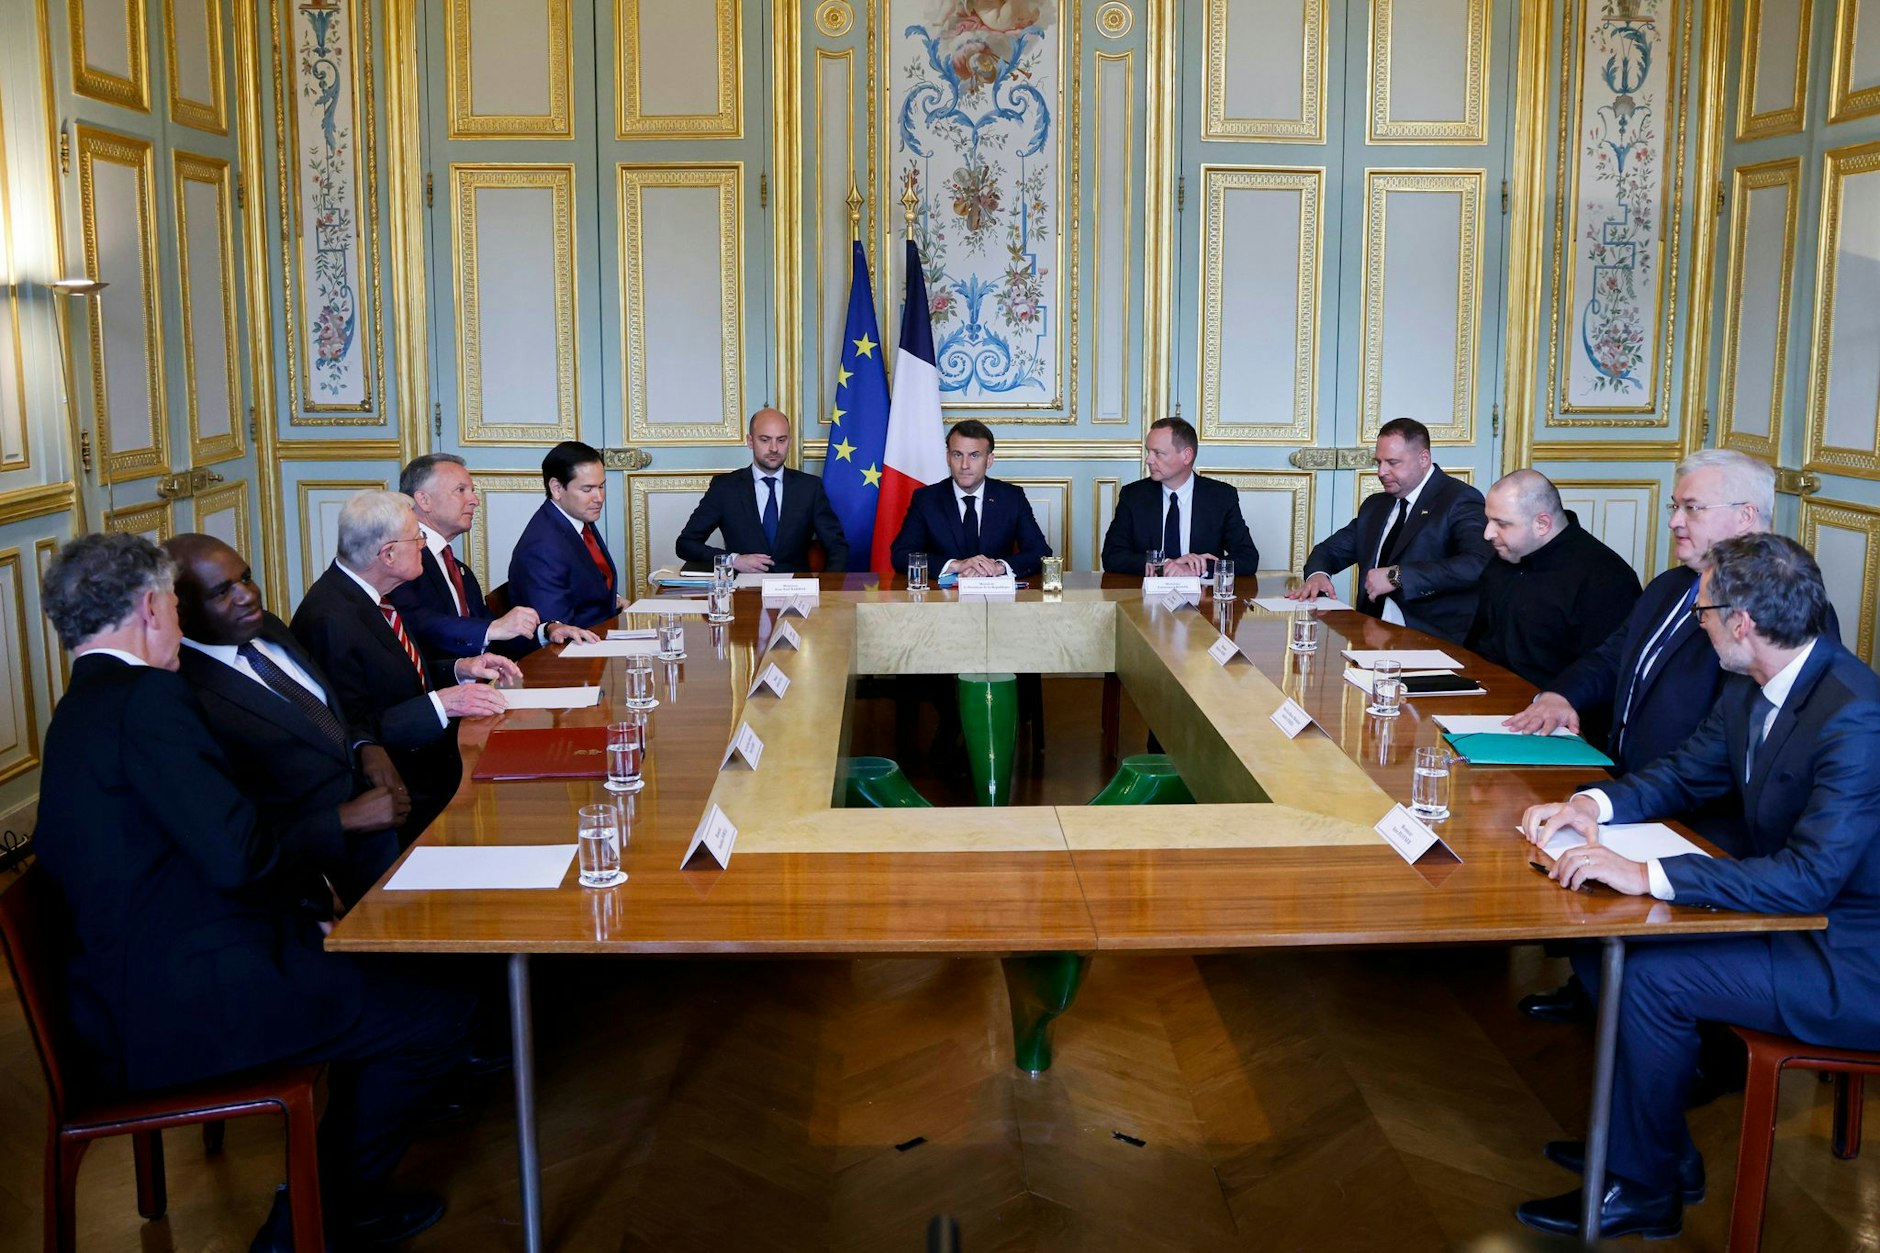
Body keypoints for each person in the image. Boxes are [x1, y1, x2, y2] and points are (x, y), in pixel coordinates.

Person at [31, 532, 472, 1250]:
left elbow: (199, 852)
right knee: (434, 1016)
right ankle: (312, 1224)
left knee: (396, 979)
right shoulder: (151, 701)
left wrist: (301, 917)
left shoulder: (83, 707)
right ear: (151, 607)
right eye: (176, 605)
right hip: (185, 1004)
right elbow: (237, 854)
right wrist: (303, 924)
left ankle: (322, 1205)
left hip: (135, 981)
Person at [1514, 533, 1880, 1240]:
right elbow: (1687, 769)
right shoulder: (1761, 682)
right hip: (1796, 919)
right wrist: (1596, 804)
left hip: (1850, 953)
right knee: (1599, 947)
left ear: (1742, 621)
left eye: (1704, 611)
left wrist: (1646, 873)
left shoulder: (1854, 714)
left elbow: (1810, 878)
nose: (1696, 621)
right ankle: (1652, 1149)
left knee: (1653, 975)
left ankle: (1643, 1187)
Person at [1508, 451, 1785, 1025]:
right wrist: (1563, 694)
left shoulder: (1776, 609)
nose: (1675, 521)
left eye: (1692, 508)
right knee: (1549, 830)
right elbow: (1614, 656)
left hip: (1708, 814)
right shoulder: (1668, 587)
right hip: (1639, 786)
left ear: (1746, 517)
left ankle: (1683, 1037)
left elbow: (1735, 749)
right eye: (1675, 507)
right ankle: (1598, 991)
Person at [166, 533, 407, 906]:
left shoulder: (269, 628)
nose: (247, 595)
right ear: (178, 610)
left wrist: (365, 745)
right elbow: (232, 838)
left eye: (245, 578)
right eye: (221, 592)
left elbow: (329, 710)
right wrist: (345, 819)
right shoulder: (183, 696)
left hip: (392, 827)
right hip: (321, 882)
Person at [291, 491, 516, 842]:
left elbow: (403, 676)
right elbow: (354, 732)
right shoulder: (330, 620)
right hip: (407, 788)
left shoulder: (373, 595)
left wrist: (462, 668)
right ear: (388, 554)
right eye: (418, 537)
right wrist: (446, 703)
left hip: (435, 760)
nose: (424, 545)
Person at [1286, 417, 1493, 643]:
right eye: (1378, 462)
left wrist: (1398, 576)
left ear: (1424, 459)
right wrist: (1318, 576)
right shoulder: (1377, 505)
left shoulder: (1459, 499)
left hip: (1429, 640)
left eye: (1393, 463)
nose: (1381, 472)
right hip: (1368, 634)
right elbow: (1329, 551)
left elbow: (1478, 563)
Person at [390, 453, 600, 659]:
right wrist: (493, 628)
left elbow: (494, 634)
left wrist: (546, 631)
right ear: (424, 500)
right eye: (461, 490)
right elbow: (415, 623)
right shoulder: (399, 560)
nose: (474, 501)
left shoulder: (459, 570)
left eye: (472, 491)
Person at [1464, 469, 1641, 690]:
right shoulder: (1505, 556)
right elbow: (1478, 642)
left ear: (1542, 524)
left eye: (1502, 523)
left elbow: (1604, 672)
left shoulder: (1605, 578)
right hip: (1486, 693)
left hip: (1551, 710)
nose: (1487, 533)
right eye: (1488, 520)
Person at [675, 408, 851, 573]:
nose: (774, 448)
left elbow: (837, 547)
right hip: (742, 593)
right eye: (765, 440)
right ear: (750, 441)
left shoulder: (810, 487)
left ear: (789, 441)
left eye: (781, 440)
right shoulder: (725, 488)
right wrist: (733, 560)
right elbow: (685, 544)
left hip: (797, 595)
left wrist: (826, 590)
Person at [889, 419, 1051, 578]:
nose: (964, 465)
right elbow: (901, 555)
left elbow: (1041, 553)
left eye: (974, 456)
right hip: (942, 599)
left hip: (998, 599)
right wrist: (956, 565)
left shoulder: (1011, 497)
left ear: (989, 460)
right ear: (948, 458)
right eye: (957, 455)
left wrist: (998, 567)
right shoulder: (926, 499)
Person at [1100, 416, 1260, 576]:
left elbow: (1248, 557)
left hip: (1202, 597)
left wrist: (1196, 568)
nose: (1148, 460)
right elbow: (1112, 556)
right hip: (1146, 596)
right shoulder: (1133, 496)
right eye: (1148, 451)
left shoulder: (1221, 497)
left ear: (1186, 456)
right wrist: (1166, 564)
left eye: (1158, 453)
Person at [507, 440, 627, 628]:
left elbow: (586, 582)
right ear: (556, 488)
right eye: (587, 489)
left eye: (602, 486)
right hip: (578, 649)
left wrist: (615, 599)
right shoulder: (541, 547)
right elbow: (558, 628)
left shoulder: (575, 517)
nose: (599, 498)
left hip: (603, 631)